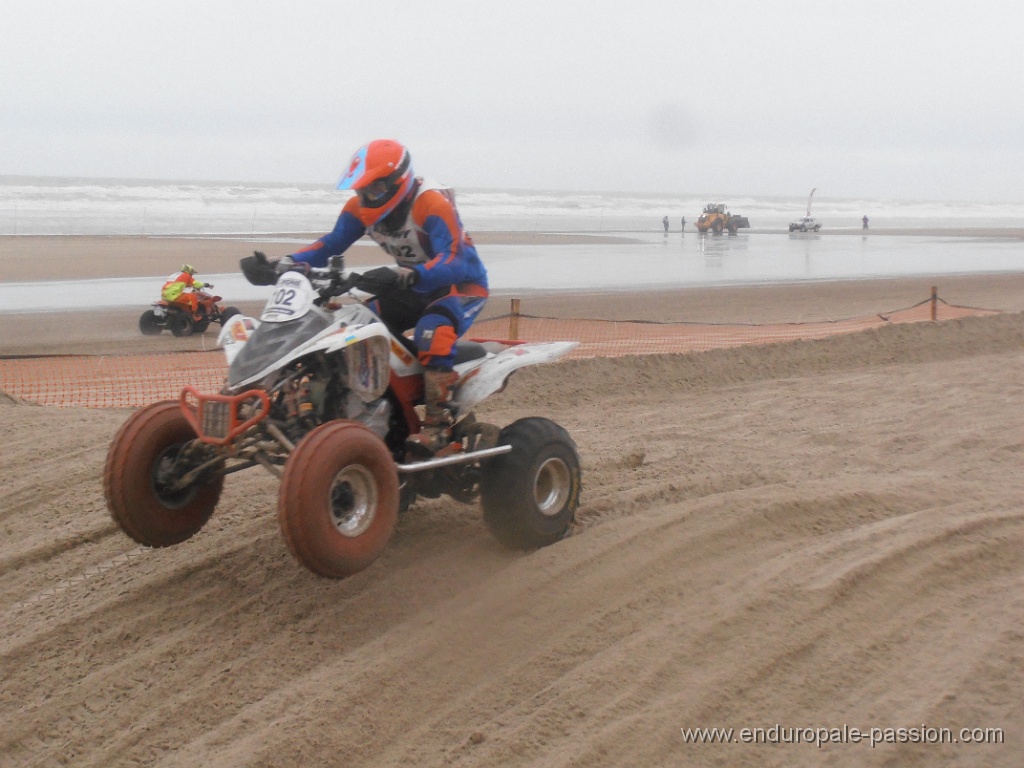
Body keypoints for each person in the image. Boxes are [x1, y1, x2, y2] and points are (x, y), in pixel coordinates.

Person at [247, 139, 488, 456]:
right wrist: (284, 264)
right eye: (361, 190)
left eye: (373, 190)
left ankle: (437, 425)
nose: (365, 198)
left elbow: (456, 260)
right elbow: (331, 244)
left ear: (396, 182)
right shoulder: (359, 208)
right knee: (353, 329)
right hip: (409, 285)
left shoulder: (431, 203)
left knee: (433, 333)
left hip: (460, 287)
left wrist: (413, 274)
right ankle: (373, 412)